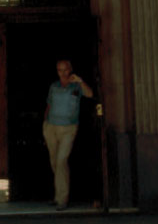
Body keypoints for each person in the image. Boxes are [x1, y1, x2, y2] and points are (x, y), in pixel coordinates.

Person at [42, 59, 93, 211]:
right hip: (51, 127)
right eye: (59, 70)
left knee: (61, 160)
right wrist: (45, 124)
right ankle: (58, 197)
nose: (63, 73)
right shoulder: (54, 86)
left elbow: (90, 94)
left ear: (70, 69)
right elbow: (49, 105)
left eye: (65, 70)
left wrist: (80, 80)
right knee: (54, 162)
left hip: (69, 128)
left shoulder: (77, 85)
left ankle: (63, 200)